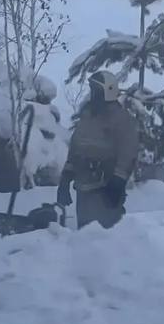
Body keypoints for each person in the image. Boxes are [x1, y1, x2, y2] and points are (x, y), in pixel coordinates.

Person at [56, 71, 139, 230]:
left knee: (106, 242)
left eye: (97, 91)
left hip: (106, 191)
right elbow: (75, 150)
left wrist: (118, 182)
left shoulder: (121, 119)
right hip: (83, 190)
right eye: (92, 90)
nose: (93, 95)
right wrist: (65, 180)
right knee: (86, 238)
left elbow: (128, 153)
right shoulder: (87, 118)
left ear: (107, 91)